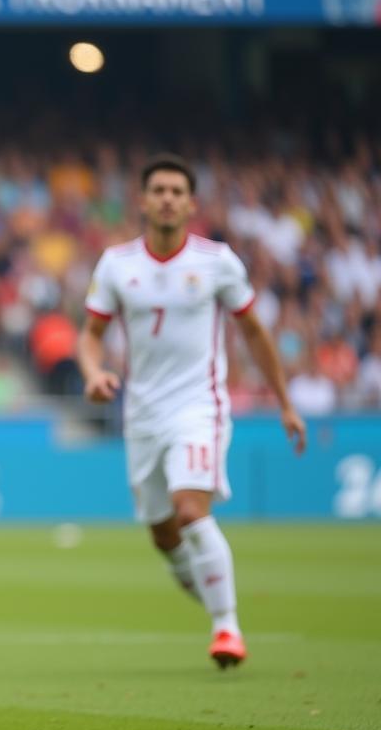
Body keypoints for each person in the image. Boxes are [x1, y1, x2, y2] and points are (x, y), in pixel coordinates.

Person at [77, 154, 305, 669]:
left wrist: (286, 404)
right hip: (142, 414)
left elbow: (253, 332)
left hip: (198, 405)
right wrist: (93, 373)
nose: (167, 198)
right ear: (142, 200)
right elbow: (89, 336)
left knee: (189, 509)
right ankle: (217, 600)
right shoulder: (117, 264)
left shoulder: (217, 261)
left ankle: (227, 628)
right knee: (163, 533)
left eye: (177, 191)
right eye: (158, 189)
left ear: (191, 203)